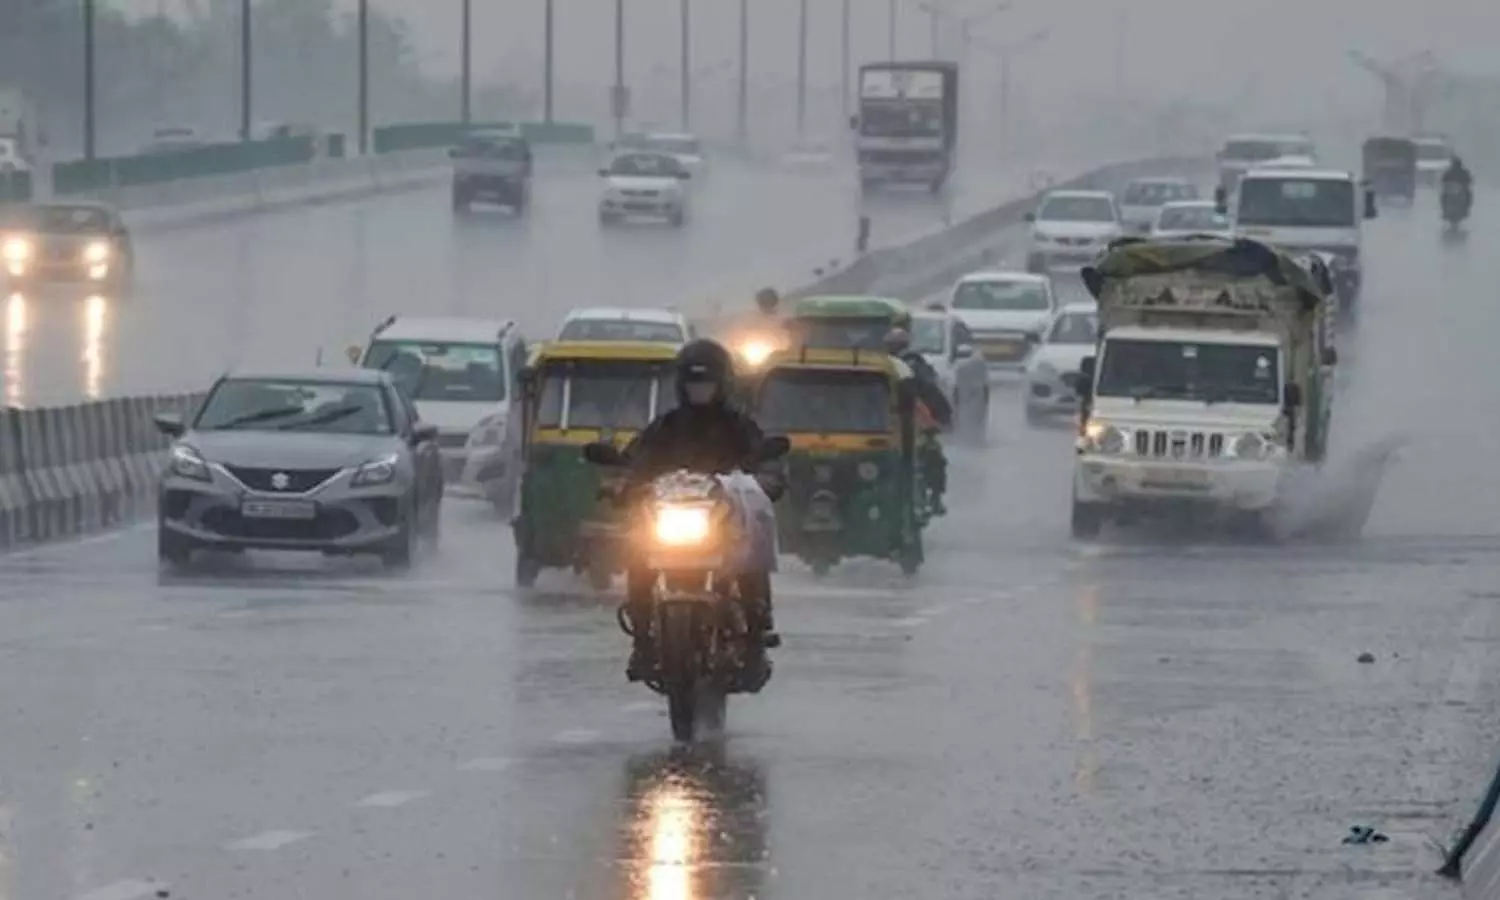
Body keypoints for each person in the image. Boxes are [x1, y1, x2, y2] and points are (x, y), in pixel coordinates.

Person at [617, 338, 780, 684]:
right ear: (681, 385)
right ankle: (643, 640)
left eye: (706, 384)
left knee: (751, 549)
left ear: (722, 384)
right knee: (637, 553)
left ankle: (754, 638)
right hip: (671, 520)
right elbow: (638, 462)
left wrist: (768, 479)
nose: (700, 391)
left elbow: (766, 459)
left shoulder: (739, 427)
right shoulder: (665, 427)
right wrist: (624, 484)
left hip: (722, 520)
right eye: (694, 384)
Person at [884, 327, 952, 516]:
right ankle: (935, 498)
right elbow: (932, 393)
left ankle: (935, 498)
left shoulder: (911, 366)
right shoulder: (879, 367)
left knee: (933, 454)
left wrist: (940, 417)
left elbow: (931, 394)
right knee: (934, 454)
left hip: (903, 428)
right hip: (885, 429)